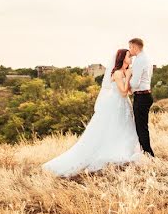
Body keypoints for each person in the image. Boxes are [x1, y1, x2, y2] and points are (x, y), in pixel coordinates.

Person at [41, 48, 143, 177]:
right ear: (122, 58)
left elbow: (128, 92)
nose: (131, 59)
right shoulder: (117, 73)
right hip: (115, 104)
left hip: (124, 104)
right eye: (129, 56)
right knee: (113, 128)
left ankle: (125, 151)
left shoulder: (124, 71)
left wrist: (131, 80)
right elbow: (123, 93)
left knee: (124, 128)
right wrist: (128, 77)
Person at [128, 37, 155, 157]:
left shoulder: (139, 60)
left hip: (141, 96)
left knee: (141, 127)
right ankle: (146, 152)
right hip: (146, 94)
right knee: (142, 126)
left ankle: (148, 154)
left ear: (135, 47)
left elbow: (135, 82)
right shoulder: (147, 58)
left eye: (130, 47)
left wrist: (126, 85)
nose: (130, 50)